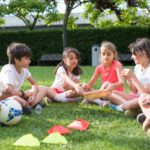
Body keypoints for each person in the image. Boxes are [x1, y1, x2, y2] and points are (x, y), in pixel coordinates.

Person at [0, 42, 48, 113]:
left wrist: (33, 96)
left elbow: (34, 84)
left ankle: (28, 105)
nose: (29, 61)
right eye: (26, 58)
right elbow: (9, 90)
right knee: (17, 99)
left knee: (43, 89)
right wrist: (24, 95)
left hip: (17, 95)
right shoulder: (8, 70)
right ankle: (28, 105)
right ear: (16, 59)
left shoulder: (24, 70)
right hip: (4, 99)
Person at [111, 38, 150, 114]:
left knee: (140, 99)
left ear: (143, 53)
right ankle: (133, 108)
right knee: (111, 93)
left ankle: (123, 107)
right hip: (137, 98)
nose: (132, 57)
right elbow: (134, 91)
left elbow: (144, 93)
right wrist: (129, 80)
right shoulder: (137, 67)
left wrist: (133, 77)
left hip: (145, 98)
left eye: (133, 54)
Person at [82, 41, 124, 106]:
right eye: (103, 54)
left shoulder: (117, 65)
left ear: (114, 55)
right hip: (103, 92)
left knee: (106, 84)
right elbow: (91, 83)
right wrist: (85, 86)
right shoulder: (99, 67)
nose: (105, 56)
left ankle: (94, 99)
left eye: (108, 54)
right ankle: (100, 101)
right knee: (86, 89)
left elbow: (122, 82)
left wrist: (113, 85)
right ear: (100, 55)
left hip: (115, 93)